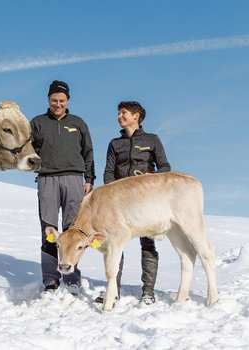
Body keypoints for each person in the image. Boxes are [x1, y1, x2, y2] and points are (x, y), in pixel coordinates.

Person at [100, 100, 171, 304]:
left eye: (124, 113)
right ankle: (114, 290)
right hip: (119, 203)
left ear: (136, 116)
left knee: (147, 243)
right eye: (119, 113)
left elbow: (165, 166)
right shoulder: (115, 143)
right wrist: (108, 194)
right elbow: (108, 171)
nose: (119, 116)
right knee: (115, 244)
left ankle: (148, 291)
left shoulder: (152, 139)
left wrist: (153, 176)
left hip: (145, 202)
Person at [30, 80, 95, 294]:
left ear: (68, 101)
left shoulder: (78, 123)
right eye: (54, 100)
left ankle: (72, 276)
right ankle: (50, 278)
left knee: (73, 231)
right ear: (48, 100)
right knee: (48, 229)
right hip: (47, 179)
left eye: (61, 100)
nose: (58, 104)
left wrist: (89, 179)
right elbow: (27, 148)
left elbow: (88, 152)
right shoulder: (38, 122)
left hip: (74, 179)